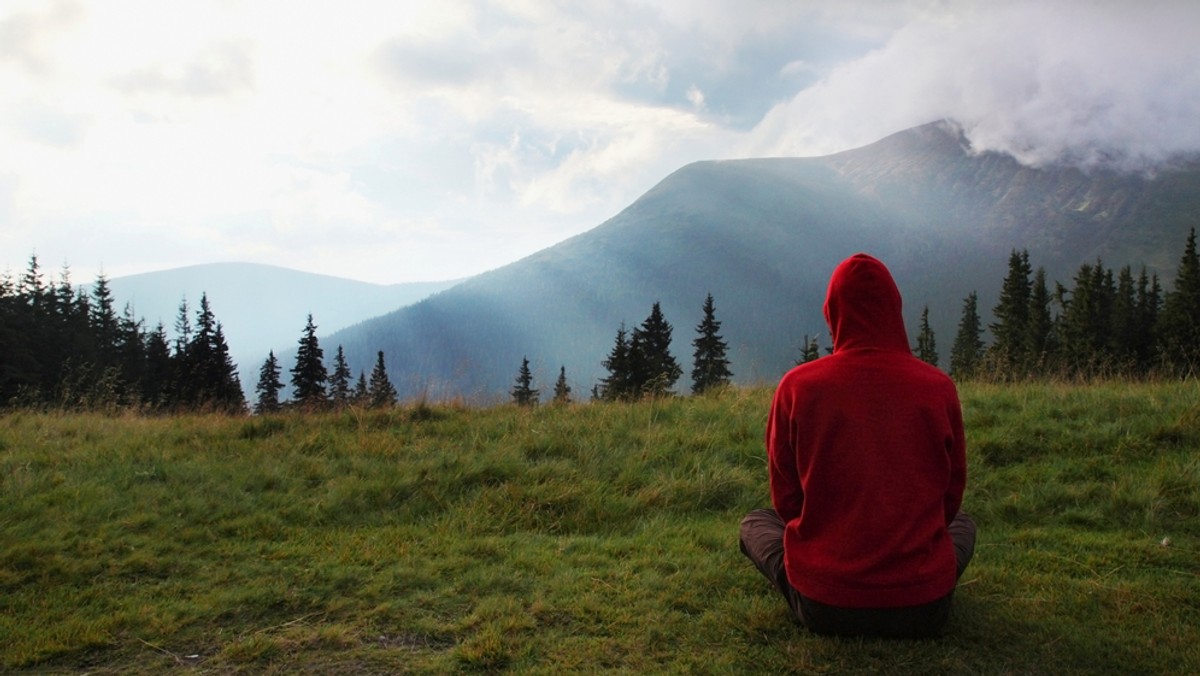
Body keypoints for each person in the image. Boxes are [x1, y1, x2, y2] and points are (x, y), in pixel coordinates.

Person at [739, 253, 976, 639]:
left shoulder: (797, 387)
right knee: (964, 524)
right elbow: (950, 496)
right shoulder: (938, 388)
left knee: (755, 523)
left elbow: (786, 501)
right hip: (924, 608)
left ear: (833, 312)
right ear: (894, 309)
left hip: (825, 606)